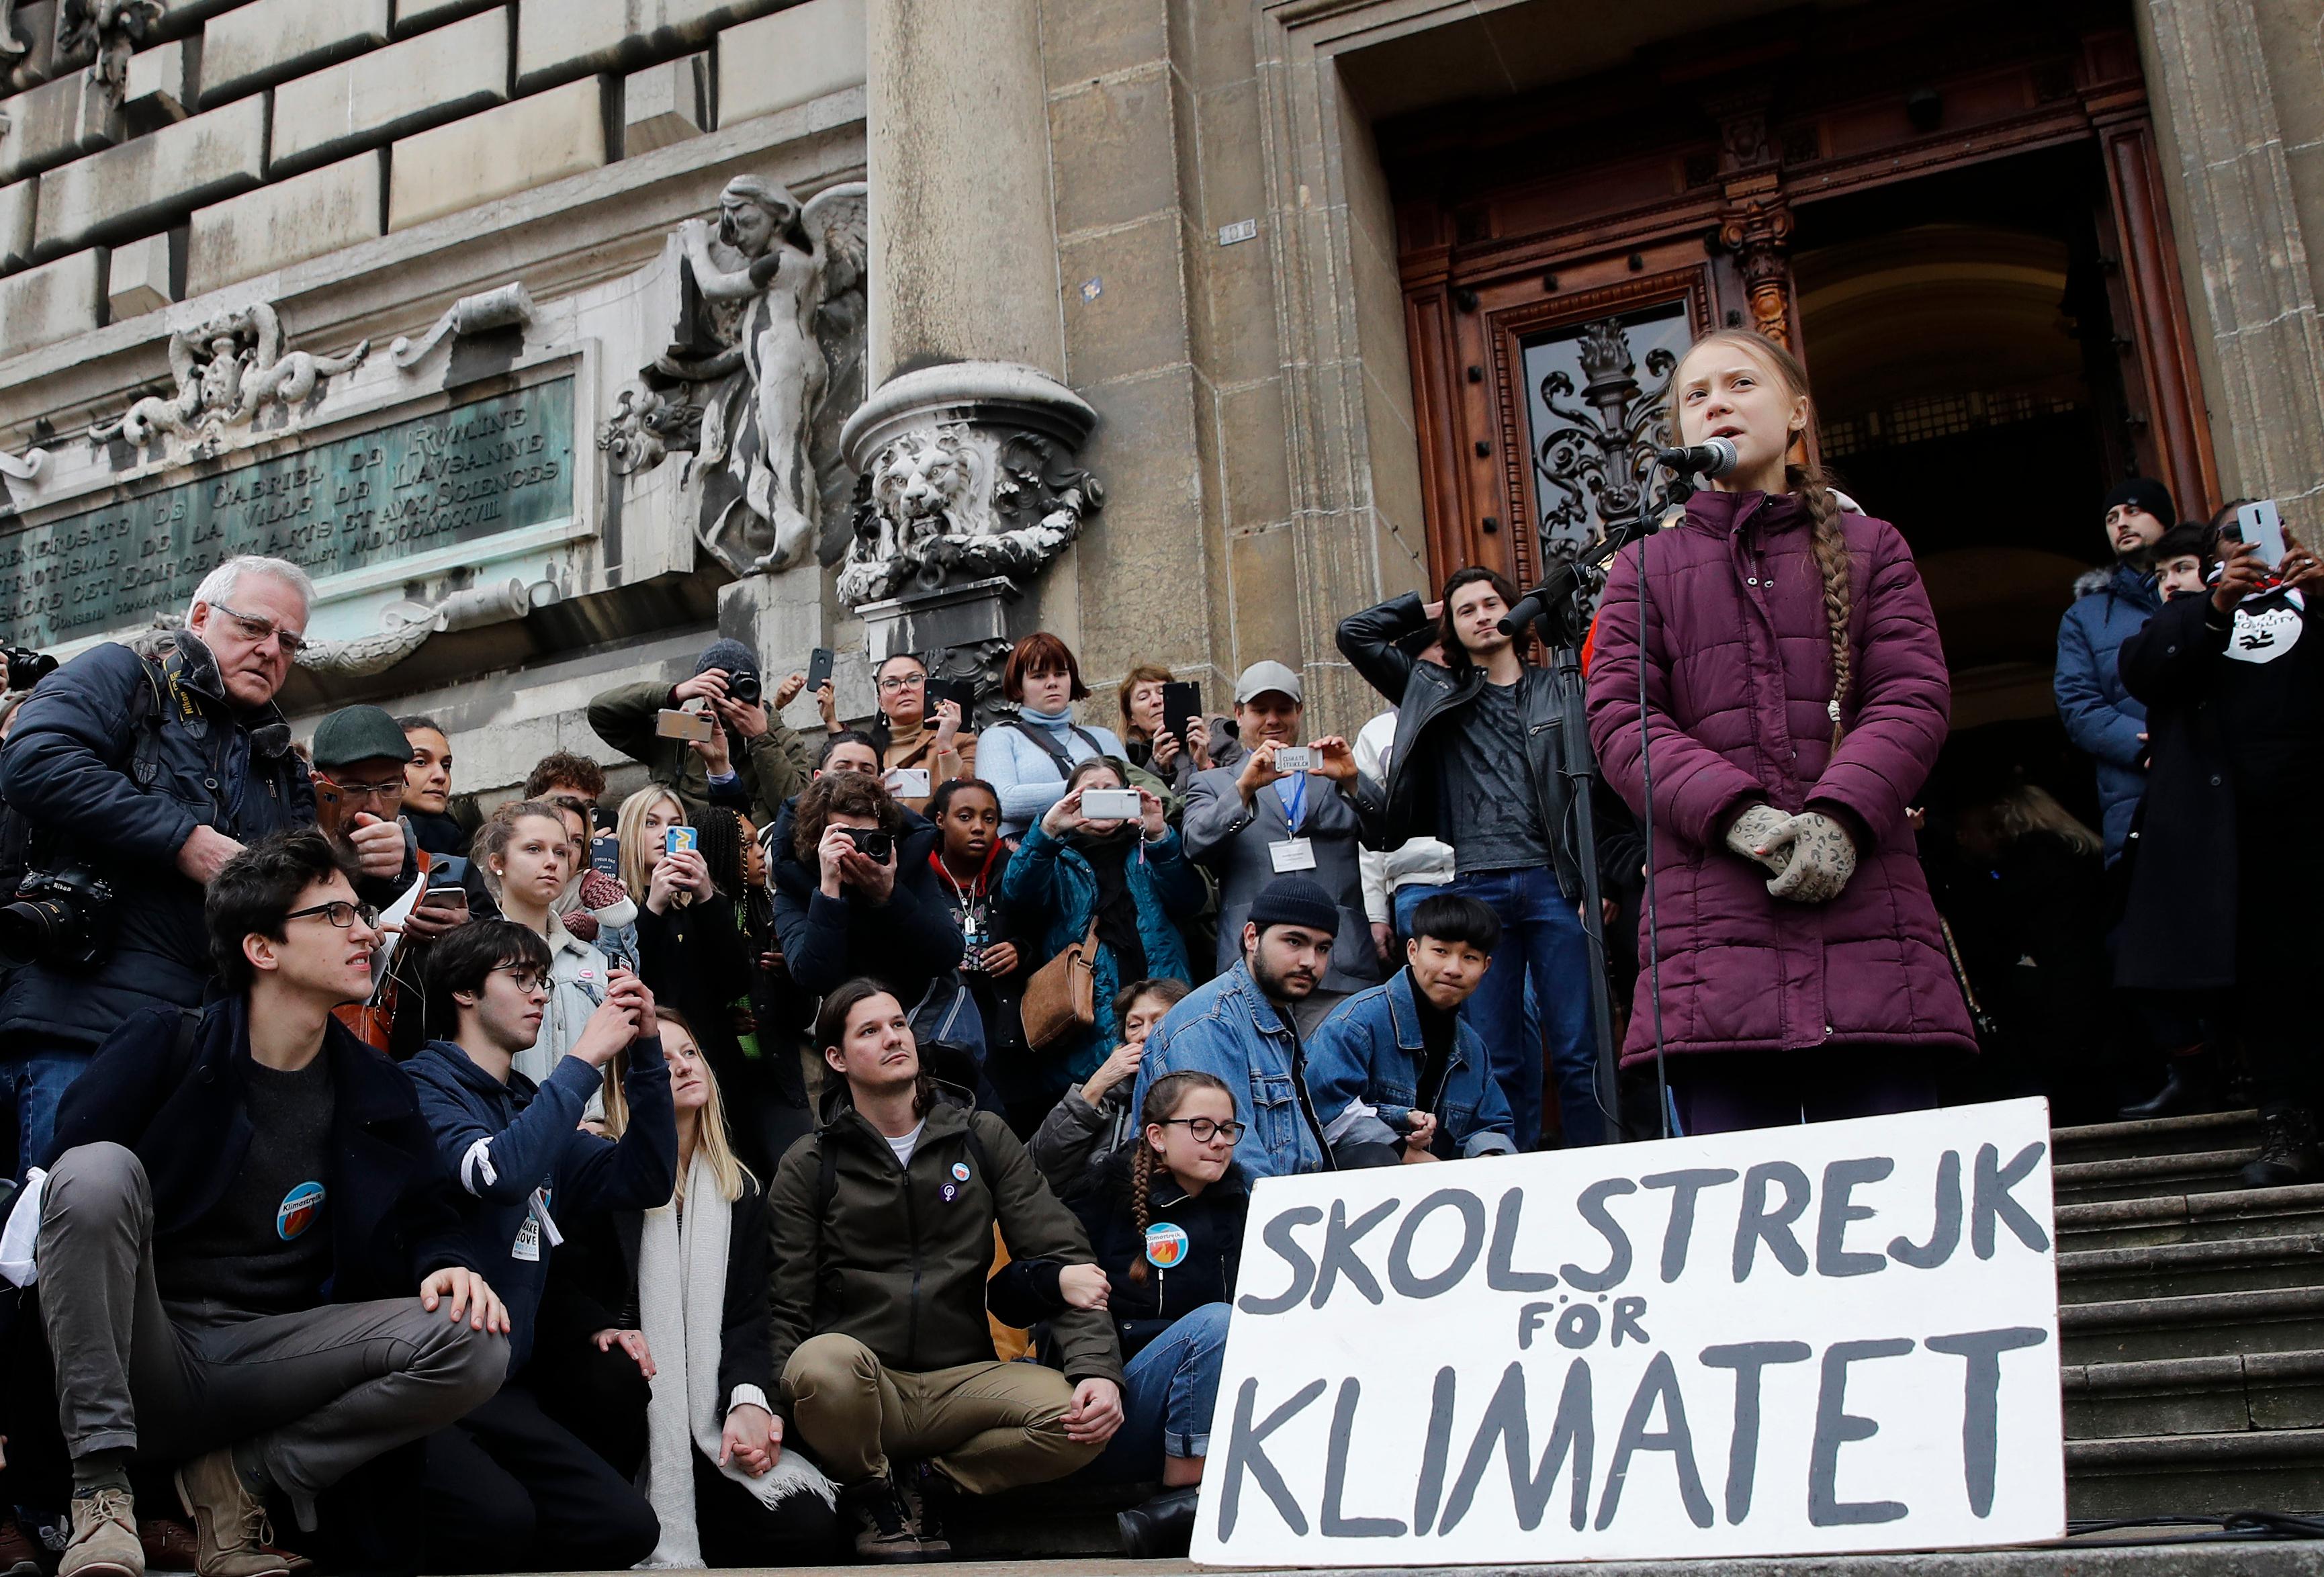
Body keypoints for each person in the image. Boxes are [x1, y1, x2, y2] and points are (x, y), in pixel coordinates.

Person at [28, 829, 508, 1577]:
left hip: (274, 1359)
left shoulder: (375, 1084)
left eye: (361, 912)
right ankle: (101, 1492)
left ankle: (238, 1482)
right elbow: (58, 1206)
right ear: (262, 948)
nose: (364, 931)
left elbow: (426, 1212)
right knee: (92, 1173)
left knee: (474, 1338)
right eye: (335, 916)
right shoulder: (167, 1044)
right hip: (145, 1346)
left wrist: (447, 1261)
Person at [1584, 327, 1974, 1135]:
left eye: (1740, 384)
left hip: (1871, 931)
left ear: (1797, 413)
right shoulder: (1643, 568)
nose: (1717, 402)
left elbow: (1910, 696)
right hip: (1710, 947)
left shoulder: (1874, 548)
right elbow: (1623, 719)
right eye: (1696, 395)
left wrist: (1838, 818)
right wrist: (1739, 815)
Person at [769, 981, 1123, 1561]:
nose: (892, 1038)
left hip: (963, 1382)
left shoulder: (980, 1136)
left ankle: (934, 1482)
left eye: (898, 1025)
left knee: (1080, 1420)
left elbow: (1064, 1257)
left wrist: (1097, 1370)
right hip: (864, 1390)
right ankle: (874, 1496)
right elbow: (787, 1302)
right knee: (820, 1364)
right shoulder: (811, 1162)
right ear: (836, 1059)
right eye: (870, 1031)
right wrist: (778, 1416)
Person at [0, 556, 319, 1181]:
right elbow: (33, 762)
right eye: (254, 627)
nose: (269, 650)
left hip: (203, 1052)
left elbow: (303, 892)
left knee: (158, 1267)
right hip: (83, 1026)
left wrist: (378, 870)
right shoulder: (124, 675)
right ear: (201, 617)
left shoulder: (279, 763)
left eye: (288, 641)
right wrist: (183, 840)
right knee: (59, 1242)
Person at [405, 919, 676, 1573]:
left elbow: (645, 1178)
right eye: (520, 979)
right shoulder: (421, 1083)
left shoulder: (527, 1101)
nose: (540, 995)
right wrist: (583, 1058)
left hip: (506, 1385)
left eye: (543, 981)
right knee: (502, 1522)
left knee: (626, 1527)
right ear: (465, 992)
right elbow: (499, 1173)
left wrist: (644, 1053)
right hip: (427, 1384)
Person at [1339, 576, 1641, 1148]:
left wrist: (1598, 875)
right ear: (1449, 626)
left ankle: (1595, 1162)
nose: (1480, 617)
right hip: (1480, 887)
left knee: (1581, 1049)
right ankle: (1511, 1168)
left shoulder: (1563, 689)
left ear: (1515, 614)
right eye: (1465, 611)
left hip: (1558, 884)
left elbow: (1595, 791)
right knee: (1498, 1054)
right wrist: (1432, 608)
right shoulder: (1434, 690)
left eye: (1491, 604)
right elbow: (1354, 635)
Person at [574, 1015, 842, 1566]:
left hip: (706, 1414)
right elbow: (566, 1288)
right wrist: (600, 1328)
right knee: (619, 1377)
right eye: (663, 1059)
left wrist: (748, 1398)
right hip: (623, 1410)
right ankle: (648, 1505)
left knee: (809, 1528)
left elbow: (748, 1317)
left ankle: (692, 1517)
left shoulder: (739, 1191)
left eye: (690, 1053)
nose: (682, 1066)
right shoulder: (602, 1171)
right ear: (630, 1087)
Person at [2119, 526, 2324, 1185]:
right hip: (2238, 838)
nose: (2252, 555)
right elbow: (2141, 668)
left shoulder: (2310, 606)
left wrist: (2319, 598)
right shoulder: (2189, 615)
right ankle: (2288, 1127)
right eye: (2232, 547)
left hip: (2309, 819)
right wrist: (2212, 608)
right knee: (2266, 987)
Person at [1067, 1071, 1247, 1558]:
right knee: (1217, 1324)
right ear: (1157, 1136)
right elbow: (1028, 1286)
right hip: (1119, 1402)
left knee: (1225, 1328)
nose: (1220, 1142)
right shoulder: (1107, 1193)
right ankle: (1183, 1495)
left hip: (1220, 1406)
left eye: (1229, 1129)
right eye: (1202, 1127)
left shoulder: (1243, 1203)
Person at [997, 758, 1206, 1106]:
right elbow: (1017, 894)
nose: (1102, 799)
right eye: (1089, 793)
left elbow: (1191, 900)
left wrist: (1159, 834)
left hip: (1162, 1002)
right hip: (1089, 1019)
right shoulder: (1056, 857)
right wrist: (1048, 829)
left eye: (1111, 791)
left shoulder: (1148, 848)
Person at [1181, 662, 1379, 1009]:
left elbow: (1390, 835)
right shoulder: (1214, 782)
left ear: (1300, 712)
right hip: (1253, 967)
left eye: (1284, 709)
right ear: (1238, 715)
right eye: (1260, 710)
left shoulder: (1334, 772)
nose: (1273, 720)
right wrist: (1243, 790)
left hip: (1338, 962)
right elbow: (1195, 845)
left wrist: (1354, 781)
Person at [1130, 876, 1343, 1181]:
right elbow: (1233, 1158)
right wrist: (1280, 1218)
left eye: (1323, 948)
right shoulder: (1210, 1022)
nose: (1310, 961)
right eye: (1294, 942)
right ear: (1252, 937)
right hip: (1234, 1218)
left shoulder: (1272, 1013)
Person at [1306, 891, 1516, 1165]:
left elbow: (1491, 1126)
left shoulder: (1473, 1048)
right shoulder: (1357, 1022)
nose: (1453, 968)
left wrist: (1490, 1158)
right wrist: (1408, 1155)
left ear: (1486, 967)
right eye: (1441, 951)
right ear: (1413, 952)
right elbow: (1325, 1110)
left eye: (1470, 958)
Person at [768, 772, 963, 1033]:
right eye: (845, 838)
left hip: (921, 1018)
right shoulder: (794, 884)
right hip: (851, 1027)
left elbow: (947, 953)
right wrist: (828, 892)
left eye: (870, 838)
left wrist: (890, 895)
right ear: (818, 840)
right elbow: (814, 977)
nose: (858, 851)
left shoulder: (909, 864)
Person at [2055, 477, 2176, 867]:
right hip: (2139, 799)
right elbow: (2078, 706)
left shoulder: (2209, 595)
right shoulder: (2086, 617)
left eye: (2133, 511)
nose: (2120, 523)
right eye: (2111, 517)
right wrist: (2144, 745)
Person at [588, 640, 813, 827]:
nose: (728, 698)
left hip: (755, 866)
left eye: (738, 686)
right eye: (718, 688)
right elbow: (601, 713)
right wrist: (675, 693)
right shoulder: (683, 734)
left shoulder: (783, 741)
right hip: (686, 855)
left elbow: (803, 814)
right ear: (704, 693)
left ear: (756, 688)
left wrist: (761, 739)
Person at [473, 801, 611, 1085]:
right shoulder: (476, 953)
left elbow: (613, 1062)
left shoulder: (593, 960)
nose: (552, 862)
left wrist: (601, 1119)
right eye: (534, 849)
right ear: (497, 863)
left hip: (592, 1125)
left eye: (561, 852)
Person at [924, 778, 1032, 1112]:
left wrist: (1020, 950)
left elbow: (1045, 929)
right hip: (944, 1018)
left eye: (989, 819)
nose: (979, 828)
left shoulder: (1014, 868)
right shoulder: (918, 875)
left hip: (1009, 1021)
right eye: (965, 817)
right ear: (941, 820)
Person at [1028, 978, 1190, 1198]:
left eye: (1159, 1021)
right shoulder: (1108, 1094)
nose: (1144, 1034)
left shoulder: (1204, 1090)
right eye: (1134, 1025)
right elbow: (1040, 1167)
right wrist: (1097, 1086)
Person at [1351, 629, 1454, 959]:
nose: (1450, 661)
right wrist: (1377, 914)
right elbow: (1366, 831)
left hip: (1481, 877)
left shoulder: (1476, 716)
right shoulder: (1375, 733)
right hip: (1414, 886)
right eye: (1441, 651)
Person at [977, 633, 1128, 838]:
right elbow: (1002, 802)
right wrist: (1085, 788)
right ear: (1019, 685)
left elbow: (1131, 798)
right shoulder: (998, 737)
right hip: (1036, 856)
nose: (1052, 683)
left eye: (1060, 674)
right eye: (1039, 676)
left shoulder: (1103, 738)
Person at [865, 653, 975, 813]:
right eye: (891, 683)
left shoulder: (960, 741)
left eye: (914, 680)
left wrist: (945, 745)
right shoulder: (866, 751)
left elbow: (968, 801)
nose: (904, 688)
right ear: (881, 702)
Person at [1117, 665, 1240, 799]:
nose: (1156, 701)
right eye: (1143, 697)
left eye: (1163, 692)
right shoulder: (1129, 760)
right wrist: (1158, 769)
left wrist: (1206, 765)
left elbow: (1243, 797)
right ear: (1131, 718)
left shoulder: (1220, 740)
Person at [398, 716, 468, 859]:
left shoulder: (455, 840)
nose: (440, 775)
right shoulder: (360, 847)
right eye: (421, 762)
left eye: (446, 766)